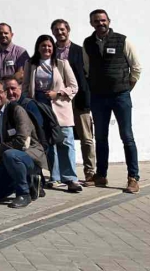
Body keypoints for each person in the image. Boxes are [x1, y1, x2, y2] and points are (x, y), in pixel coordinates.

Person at [84, 9, 141, 194]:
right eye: (96, 21)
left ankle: (133, 178)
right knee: (100, 137)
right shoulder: (88, 43)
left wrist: (125, 88)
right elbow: (86, 69)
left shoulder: (122, 40)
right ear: (91, 23)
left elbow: (136, 68)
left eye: (103, 20)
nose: (100, 23)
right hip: (99, 97)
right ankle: (101, 175)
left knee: (127, 137)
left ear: (109, 21)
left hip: (120, 96)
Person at [24, 35, 82, 193]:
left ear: (53, 48)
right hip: (39, 107)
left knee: (66, 143)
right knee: (49, 144)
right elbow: (25, 87)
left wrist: (58, 94)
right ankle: (54, 178)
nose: (46, 49)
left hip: (60, 108)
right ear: (38, 47)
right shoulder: (30, 64)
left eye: (49, 46)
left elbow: (74, 86)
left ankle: (71, 179)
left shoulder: (62, 64)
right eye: (43, 46)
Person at [0, 80, 46, 208]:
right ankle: (31, 182)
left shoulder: (17, 110)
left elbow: (21, 140)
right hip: (5, 158)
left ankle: (24, 194)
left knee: (10, 154)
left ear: (5, 93)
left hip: (28, 156)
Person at [51, 18, 95, 185]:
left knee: (86, 137)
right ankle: (61, 174)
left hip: (79, 100)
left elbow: (88, 74)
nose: (60, 32)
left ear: (68, 30)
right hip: (58, 102)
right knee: (60, 138)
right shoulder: (50, 51)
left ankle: (90, 172)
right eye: (56, 30)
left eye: (62, 29)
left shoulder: (79, 50)